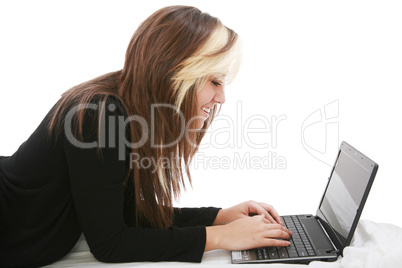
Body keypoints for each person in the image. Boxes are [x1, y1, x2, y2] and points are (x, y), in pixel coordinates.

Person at [0, 5, 291, 267]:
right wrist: (220, 237)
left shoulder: (126, 107)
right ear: (175, 73)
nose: (222, 98)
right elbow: (110, 244)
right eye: (214, 81)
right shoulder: (100, 114)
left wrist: (218, 217)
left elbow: (122, 217)